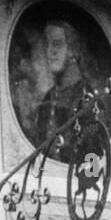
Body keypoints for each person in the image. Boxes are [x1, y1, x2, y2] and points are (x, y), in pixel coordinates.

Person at [32, 20, 93, 158]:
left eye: (57, 44)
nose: (50, 52)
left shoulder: (88, 99)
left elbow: (93, 156)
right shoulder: (48, 99)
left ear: (72, 50)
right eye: (47, 45)